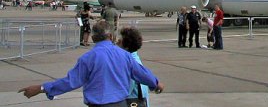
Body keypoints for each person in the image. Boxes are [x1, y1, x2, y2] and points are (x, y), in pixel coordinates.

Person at [18, 21, 165, 106]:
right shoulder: (125, 56)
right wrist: (155, 83)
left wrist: (41, 88)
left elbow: (71, 82)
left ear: (93, 38)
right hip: (120, 104)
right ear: (112, 36)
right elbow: (141, 73)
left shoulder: (88, 58)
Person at [118, 26, 151, 107]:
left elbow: (125, 90)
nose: (116, 43)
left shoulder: (129, 63)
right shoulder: (135, 59)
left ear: (126, 46)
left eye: (119, 41)